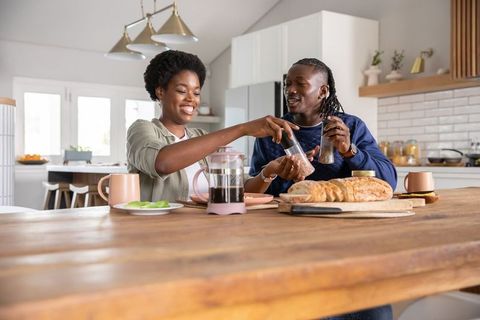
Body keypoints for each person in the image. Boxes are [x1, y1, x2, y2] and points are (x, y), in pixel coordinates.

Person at [247, 58, 396, 320]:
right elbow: (252, 194)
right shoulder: (273, 133)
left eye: (299, 84)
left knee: (376, 312)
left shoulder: (349, 127)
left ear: (323, 91)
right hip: (289, 246)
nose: (290, 90)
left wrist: (351, 151)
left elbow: (389, 182)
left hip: (350, 245)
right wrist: (273, 171)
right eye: (287, 84)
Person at [126, 50, 298, 202]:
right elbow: (162, 163)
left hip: (204, 231)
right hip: (159, 232)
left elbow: (240, 189)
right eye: (181, 91)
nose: (191, 99)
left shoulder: (201, 136)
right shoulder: (142, 129)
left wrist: (268, 172)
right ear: (160, 91)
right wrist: (242, 129)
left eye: (196, 92)